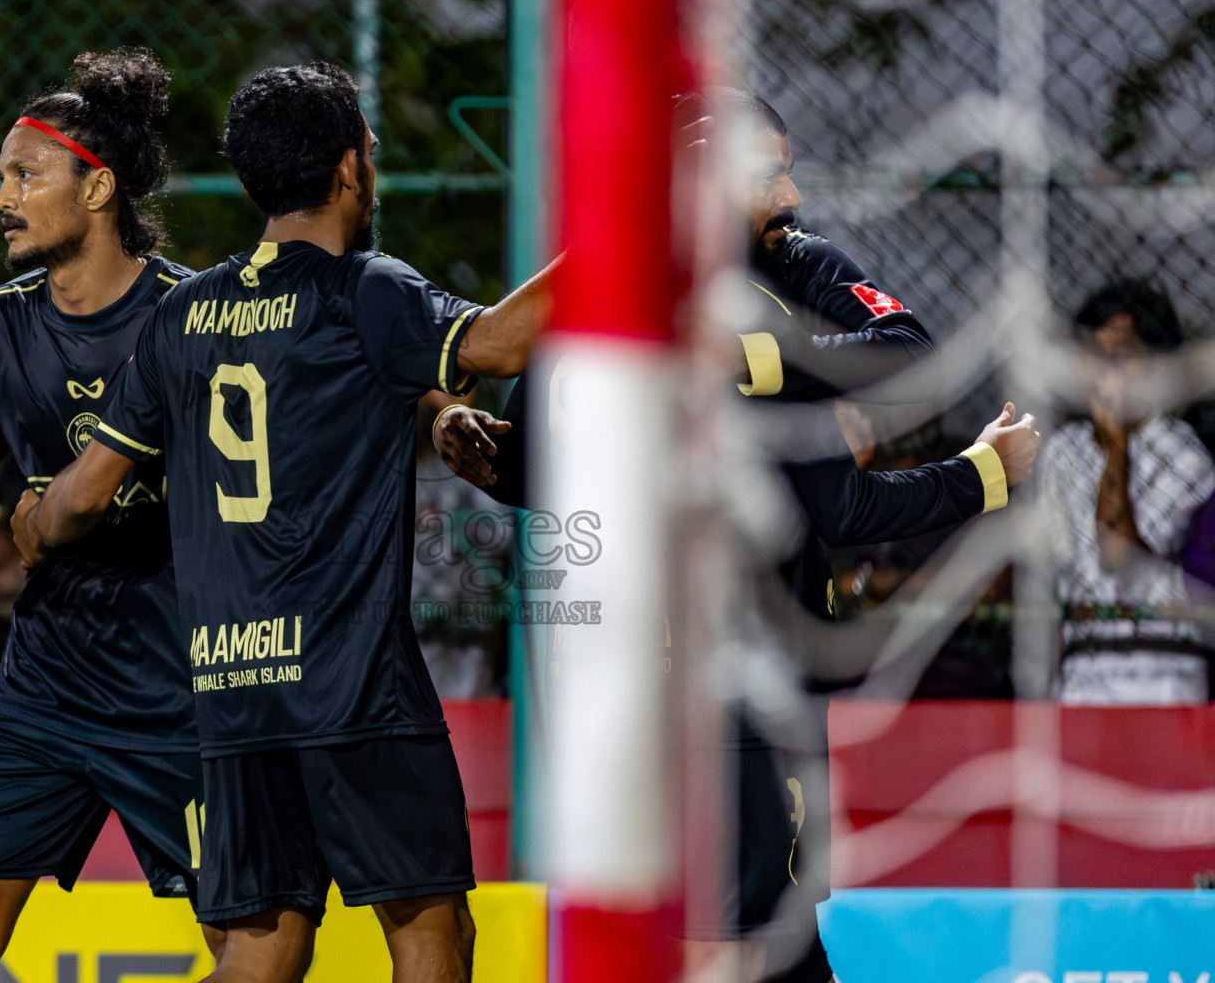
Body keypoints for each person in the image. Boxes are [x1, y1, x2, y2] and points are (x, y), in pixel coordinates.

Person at [435, 88, 1040, 983]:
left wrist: (753, 364)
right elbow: (840, 497)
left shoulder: (705, 283)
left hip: (641, 694)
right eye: (765, 175)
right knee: (747, 949)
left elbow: (905, 352)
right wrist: (984, 476)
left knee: (732, 944)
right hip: (726, 688)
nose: (789, 197)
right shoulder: (679, 298)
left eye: (786, 172)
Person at [12, 61, 554, 983]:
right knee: (430, 932)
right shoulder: (364, 288)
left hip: (229, 686)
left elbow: (79, 499)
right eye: (370, 154)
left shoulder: (183, 314)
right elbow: (497, 343)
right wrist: (644, 223)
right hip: (352, 684)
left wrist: (30, 521)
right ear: (350, 169)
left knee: (264, 947)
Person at [0, 49, 223, 983]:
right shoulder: (0, 323)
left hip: (178, 683)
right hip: (47, 684)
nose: (1, 196)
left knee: (247, 939)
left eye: (26, 174)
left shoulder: (192, 319)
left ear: (97, 189)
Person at [1039, 280, 1215, 704]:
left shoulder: (1181, 451)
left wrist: (1116, 441)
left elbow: (1120, 558)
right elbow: (1060, 574)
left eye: (1122, 357)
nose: (1105, 373)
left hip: (1162, 669)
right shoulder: (1065, 452)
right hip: (1083, 671)